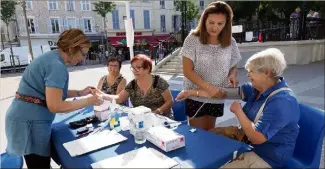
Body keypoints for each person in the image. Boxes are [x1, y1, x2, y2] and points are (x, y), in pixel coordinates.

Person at [5, 28, 103, 168]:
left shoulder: (52, 58)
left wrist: (80, 93)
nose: (83, 58)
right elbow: (55, 105)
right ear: (71, 48)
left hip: (24, 118)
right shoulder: (57, 66)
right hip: (29, 123)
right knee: (39, 165)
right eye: (83, 54)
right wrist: (89, 101)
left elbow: (52, 91)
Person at [215, 48, 299, 168]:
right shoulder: (257, 88)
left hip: (267, 156)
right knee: (209, 138)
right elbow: (226, 93)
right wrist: (194, 92)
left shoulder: (282, 101)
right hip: (246, 139)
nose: (248, 74)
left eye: (251, 71)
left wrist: (238, 112)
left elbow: (256, 138)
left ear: (267, 73)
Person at [180, 1, 241, 130]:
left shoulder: (231, 42)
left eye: (220, 24)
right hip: (195, 96)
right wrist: (209, 88)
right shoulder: (192, 39)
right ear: (204, 20)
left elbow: (234, 66)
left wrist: (232, 75)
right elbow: (187, 71)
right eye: (211, 22)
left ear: (226, 24)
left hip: (217, 96)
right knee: (198, 136)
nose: (215, 27)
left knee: (210, 133)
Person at [95, 54, 174, 119]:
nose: (134, 70)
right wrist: (101, 95)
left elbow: (169, 101)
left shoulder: (158, 81)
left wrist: (156, 112)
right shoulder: (132, 84)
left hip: (162, 119)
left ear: (148, 68)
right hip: (142, 120)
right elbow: (119, 98)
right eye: (133, 68)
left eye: (138, 68)